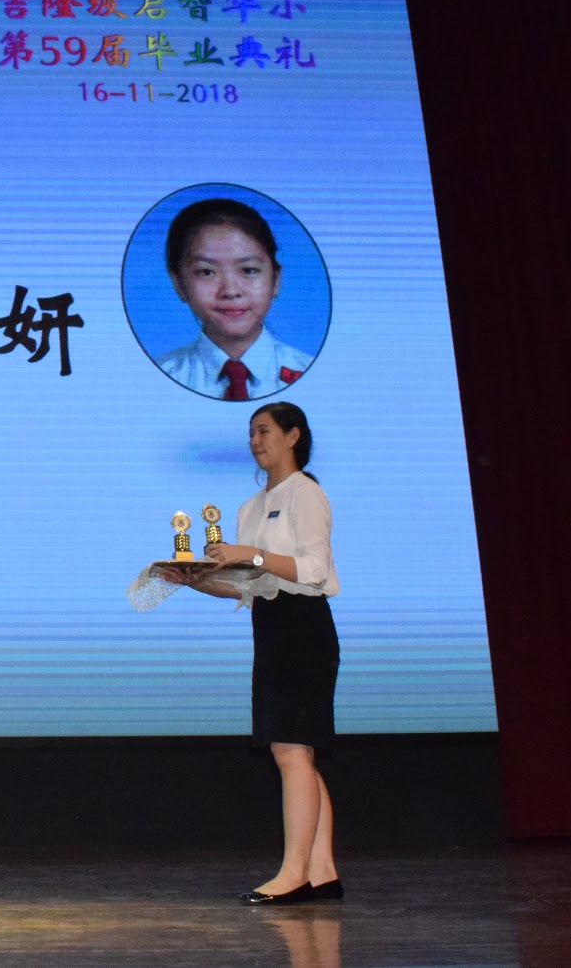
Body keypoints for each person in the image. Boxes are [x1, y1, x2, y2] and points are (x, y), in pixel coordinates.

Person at [167, 401, 341, 904]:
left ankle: (294, 874)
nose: (255, 441)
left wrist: (252, 554)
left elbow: (313, 569)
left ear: (293, 436)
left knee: (292, 751)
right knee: (295, 752)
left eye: (264, 431)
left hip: (305, 627)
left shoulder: (306, 493)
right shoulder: (250, 507)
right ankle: (322, 870)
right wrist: (194, 580)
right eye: (251, 433)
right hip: (270, 628)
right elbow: (248, 588)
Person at [154, 198, 314, 400]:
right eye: (206, 272)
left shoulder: (313, 374)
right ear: (178, 283)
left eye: (249, 270)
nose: (230, 291)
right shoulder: (156, 380)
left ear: (275, 279)